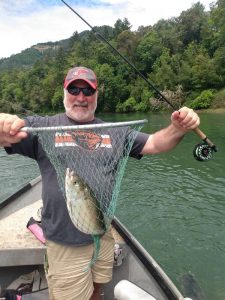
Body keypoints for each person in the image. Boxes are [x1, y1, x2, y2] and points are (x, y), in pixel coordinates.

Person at [0, 66, 200, 300]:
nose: (81, 97)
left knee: (98, 288)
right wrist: (3, 123)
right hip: (66, 244)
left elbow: (157, 143)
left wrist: (178, 128)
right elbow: (9, 132)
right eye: (74, 89)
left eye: (88, 90)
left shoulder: (115, 132)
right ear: (64, 92)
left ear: (96, 95)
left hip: (102, 233)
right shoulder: (43, 127)